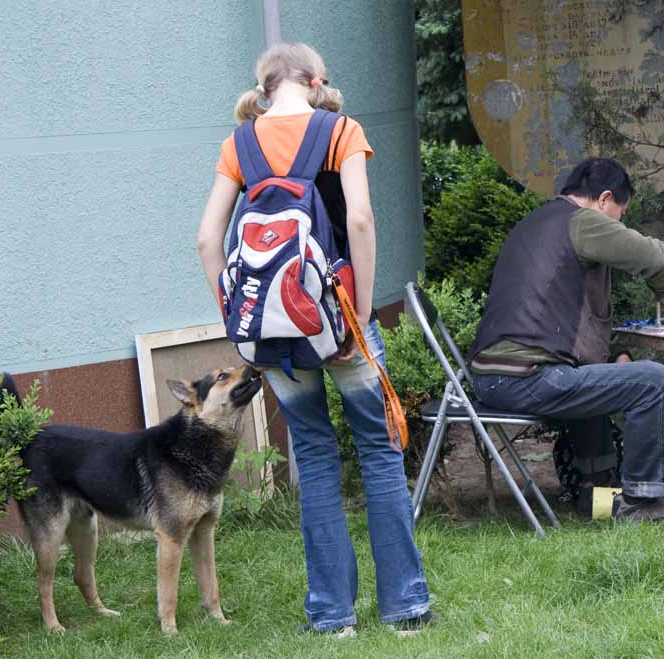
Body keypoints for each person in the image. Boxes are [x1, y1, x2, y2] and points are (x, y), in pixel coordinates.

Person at [197, 42, 431, 635]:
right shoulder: (339, 130)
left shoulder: (239, 144)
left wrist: (239, 321)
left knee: (315, 457)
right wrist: (359, 318)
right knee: (377, 452)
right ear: (316, 80)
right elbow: (358, 220)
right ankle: (405, 608)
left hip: (274, 332)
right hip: (337, 322)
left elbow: (207, 241)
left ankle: (332, 615)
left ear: (265, 85)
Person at [469, 158, 664, 522]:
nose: (619, 223)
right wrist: (663, 286)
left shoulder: (533, 224)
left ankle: (597, 489)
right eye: (621, 213)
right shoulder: (583, 221)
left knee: (595, 378)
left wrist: (614, 354)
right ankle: (648, 505)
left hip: (489, 378)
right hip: (527, 377)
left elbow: (556, 318)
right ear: (604, 200)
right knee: (655, 382)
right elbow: (656, 259)